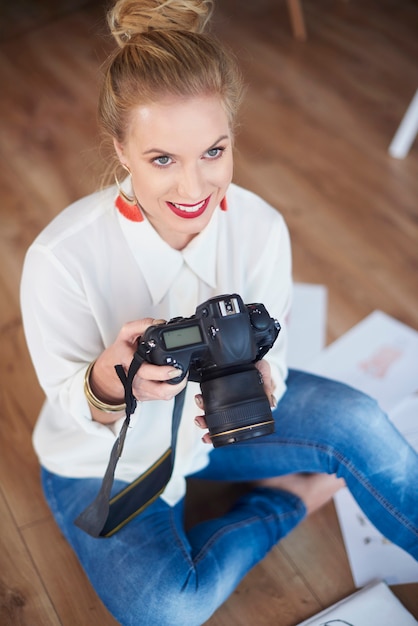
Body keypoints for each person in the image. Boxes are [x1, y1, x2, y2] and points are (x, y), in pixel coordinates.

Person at [20, 1, 418, 624]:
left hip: (220, 429)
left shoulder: (259, 227)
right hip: (106, 464)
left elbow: (274, 355)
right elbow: (71, 398)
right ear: (120, 149)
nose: (194, 187)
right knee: (167, 609)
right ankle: (288, 500)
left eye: (214, 151)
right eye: (162, 159)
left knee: (362, 423)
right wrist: (109, 381)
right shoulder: (59, 259)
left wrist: (266, 379)